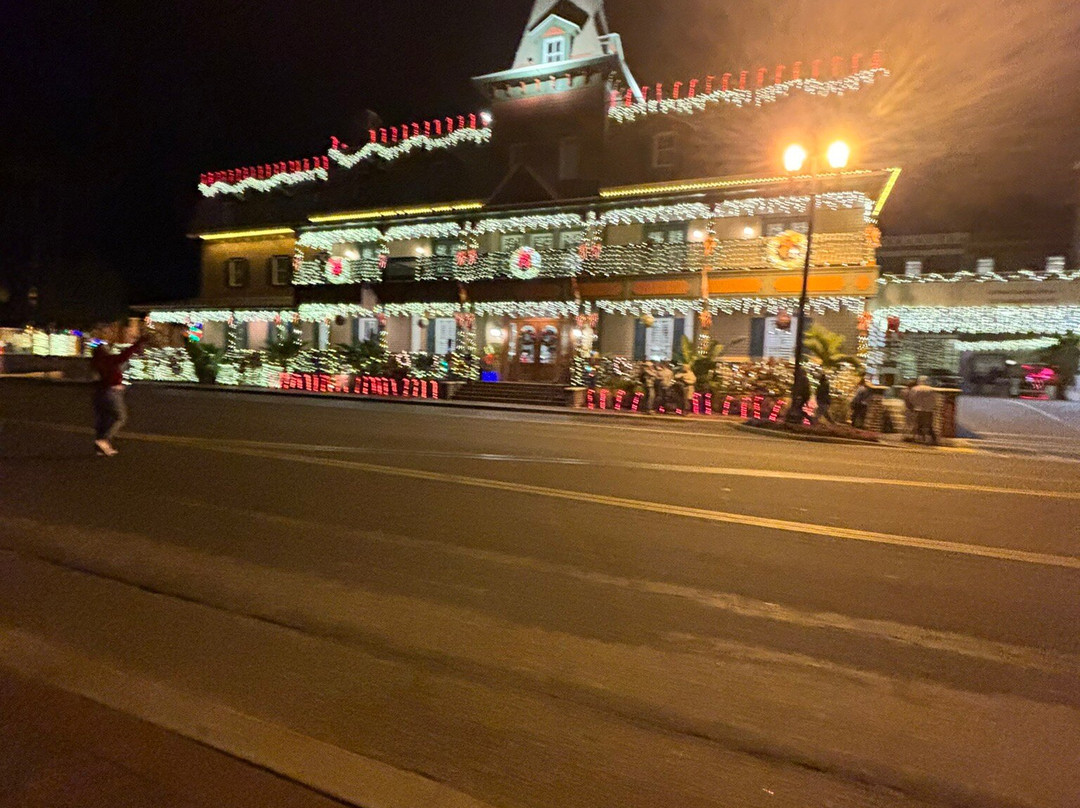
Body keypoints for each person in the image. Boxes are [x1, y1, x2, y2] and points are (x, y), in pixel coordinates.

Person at [90, 335, 147, 456]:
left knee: (103, 420)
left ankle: (100, 447)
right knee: (119, 417)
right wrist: (138, 343)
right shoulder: (108, 360)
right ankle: (104, 439)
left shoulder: (95, 363)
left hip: (99, 393)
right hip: (111, 392)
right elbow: (124, 355)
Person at [909, 375, 939, 445]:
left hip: (918, 409)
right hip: (929, 410)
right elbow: (934, 400)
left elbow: (911, 398)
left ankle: (920, 438)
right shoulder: (931, 389)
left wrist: (914, 405)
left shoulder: (915, 389)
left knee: (918, 424)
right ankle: (933, 439)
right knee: (929, 425)